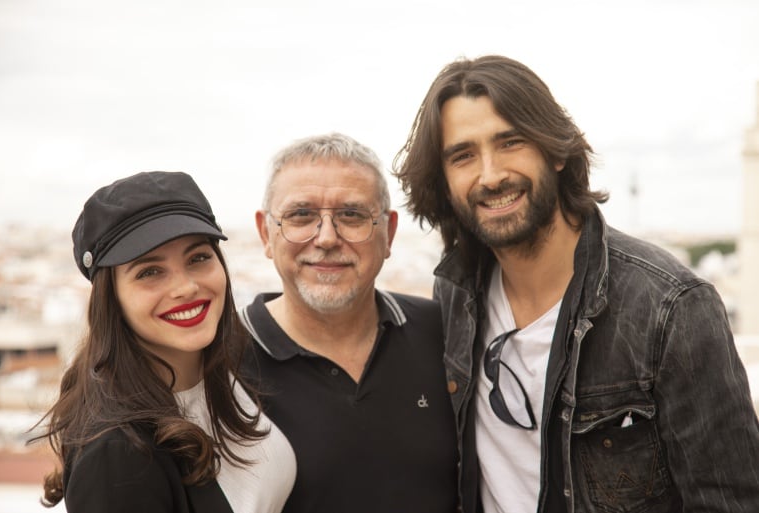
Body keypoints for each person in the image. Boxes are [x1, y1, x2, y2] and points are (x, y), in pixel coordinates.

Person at [393, 55, 759, 512]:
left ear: (558, 151)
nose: (490, 175)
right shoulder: (455, 292)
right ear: (444, 181)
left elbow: (729, 502)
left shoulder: (669, 308)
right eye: (463, 155)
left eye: (510, 142)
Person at [34, 171, 296, 513]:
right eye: (150, 272)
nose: (185, 287)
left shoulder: (229, 368)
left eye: (198, 258)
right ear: (112, 299)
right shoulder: (118, 455)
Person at [239, 132, 458, 513]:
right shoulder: (215, 363)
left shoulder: (443, 334)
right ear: (266, 233)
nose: (326, 238)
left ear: (388, 233)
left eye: (352, 215)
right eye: (301, 215)